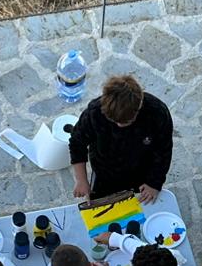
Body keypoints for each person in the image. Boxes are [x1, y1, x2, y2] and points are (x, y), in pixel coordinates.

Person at [69, 74, 174, 203]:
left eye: (127, 121)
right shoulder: (94, 113)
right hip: (104, 174)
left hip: (142, 173)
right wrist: (81, 180)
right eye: (114, 121)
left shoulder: (158, 114)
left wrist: (154, 183)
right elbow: (76, 143)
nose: (119, 125)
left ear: (139, 106)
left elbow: (164, 150)